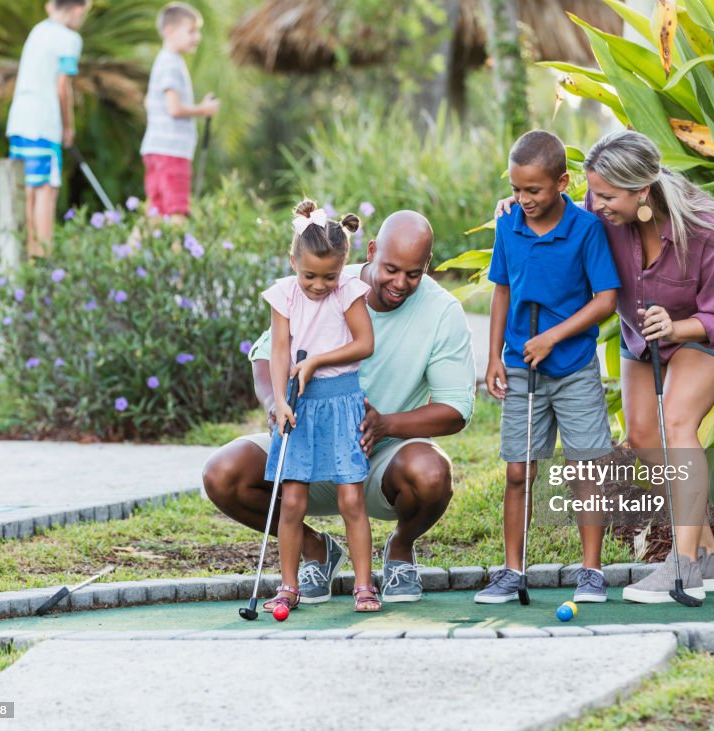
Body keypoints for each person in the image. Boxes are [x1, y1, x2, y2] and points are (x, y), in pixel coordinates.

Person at [502, 129, 714, 603]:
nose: (594, 203)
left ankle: (683, 568)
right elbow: (562, 222)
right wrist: (519, 207)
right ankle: (709, 553)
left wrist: (678, 328)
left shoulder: (705, 228)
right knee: (643, 436)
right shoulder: (598, 209)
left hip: (713, 323)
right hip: (641, 327)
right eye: (592, 192)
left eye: (606, 196)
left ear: (642, 190)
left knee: (677, 422)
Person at [203, 211, 475, 605]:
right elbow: (267, 355)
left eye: (413, 274)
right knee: (222, 473)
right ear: (371, 251)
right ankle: (316, 549)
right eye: (391, 269)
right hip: (306, 439)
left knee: (431, 472)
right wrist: (276, 405)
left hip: (378, 459)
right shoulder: (323, 278)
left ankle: (399, 551)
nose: (400, 283)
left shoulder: (442, 312)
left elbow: (455, 410)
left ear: (427, 267)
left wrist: (384, 425)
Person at [476, 130, 621, 605]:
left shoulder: (586, 229)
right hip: (521, 369)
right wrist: (495, 355)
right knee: (519, 472)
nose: (523, 200)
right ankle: (511, 571)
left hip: (574, 367)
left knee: (586, 469)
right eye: (517, 190)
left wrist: (554, 336)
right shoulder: (508, 226)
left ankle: (591, 572)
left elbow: (606, 301)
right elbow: (501, 290)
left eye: (533, 191)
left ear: (562, 182)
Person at [260, 200, 377, 614]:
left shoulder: (348, 291)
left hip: (341, 400)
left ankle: (364, 585)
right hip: (299, 404)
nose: (318, 284)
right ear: (294, 262)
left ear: (342, 268)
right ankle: (288, 585)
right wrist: (279, 401)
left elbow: (365, 343)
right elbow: (278, 350)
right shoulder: (284, 295)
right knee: (291, 501)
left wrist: (315, 361)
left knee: (351, 499)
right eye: (309, 274)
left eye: (329, 276)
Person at [5, 0, 89, 257]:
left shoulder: (38, 30)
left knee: (27, 189)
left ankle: (25, 258)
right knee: (46, 190)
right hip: (44, 121)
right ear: (77, 9)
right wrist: (68, 127)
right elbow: (62, 87)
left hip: (19, 119)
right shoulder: (69, 39)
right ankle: (42, 258)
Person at [140, 2, 219, 222]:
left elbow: (149, 102)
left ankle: (125, 255)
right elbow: (173, 108)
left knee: (154, 211)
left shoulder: (162, 61)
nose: (197, 37)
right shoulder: (172, 63)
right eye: (191, 31)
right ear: (169, 31)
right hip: (172, 151)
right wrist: (203, 109)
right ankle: (178, 257)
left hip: (155, 148)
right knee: (177, 210)